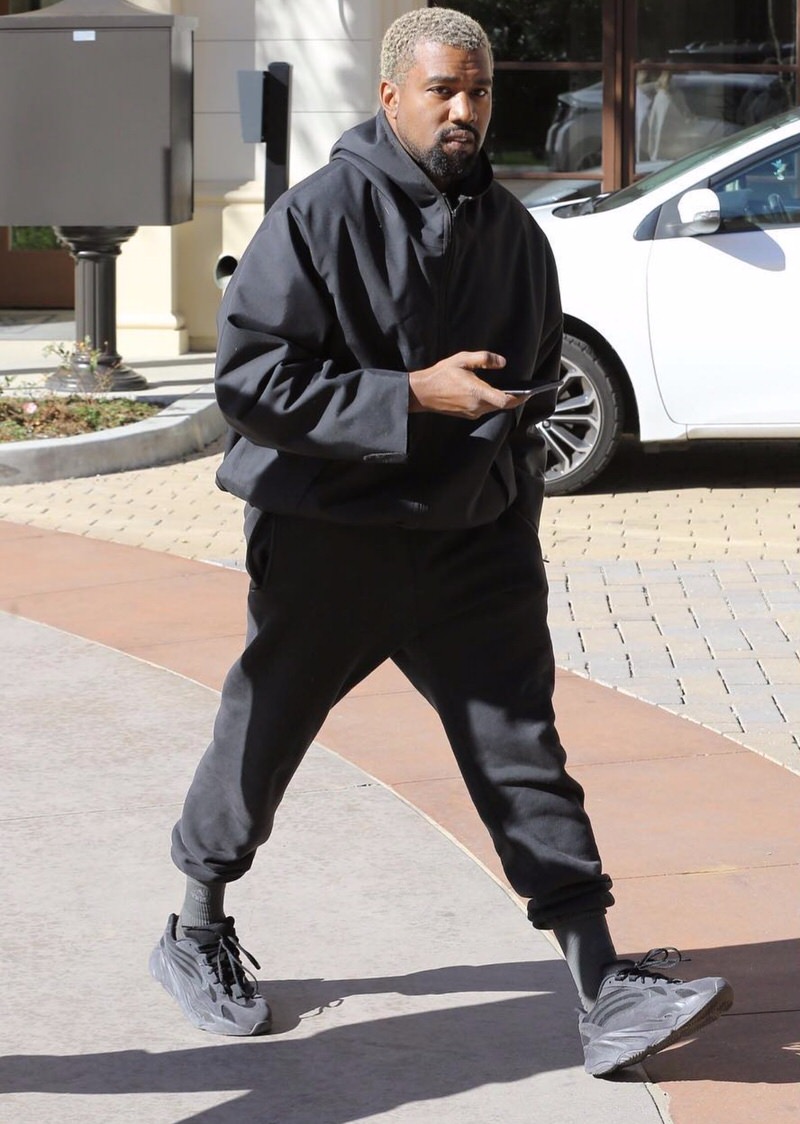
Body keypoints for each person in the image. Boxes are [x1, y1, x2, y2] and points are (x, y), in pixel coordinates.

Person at [149, 7, 732, 1078]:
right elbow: (249, 382)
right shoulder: (316, 216)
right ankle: (195, 924)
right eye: (442, 92)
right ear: (390, 97)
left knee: (525, 757)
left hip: (470, 547)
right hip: (329, 539)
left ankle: (600, 985)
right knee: (261, 733)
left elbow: (533, 387)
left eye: (478, 92)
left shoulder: (513, 234)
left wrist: (512, 523)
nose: (464, 111)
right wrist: (406, 396)